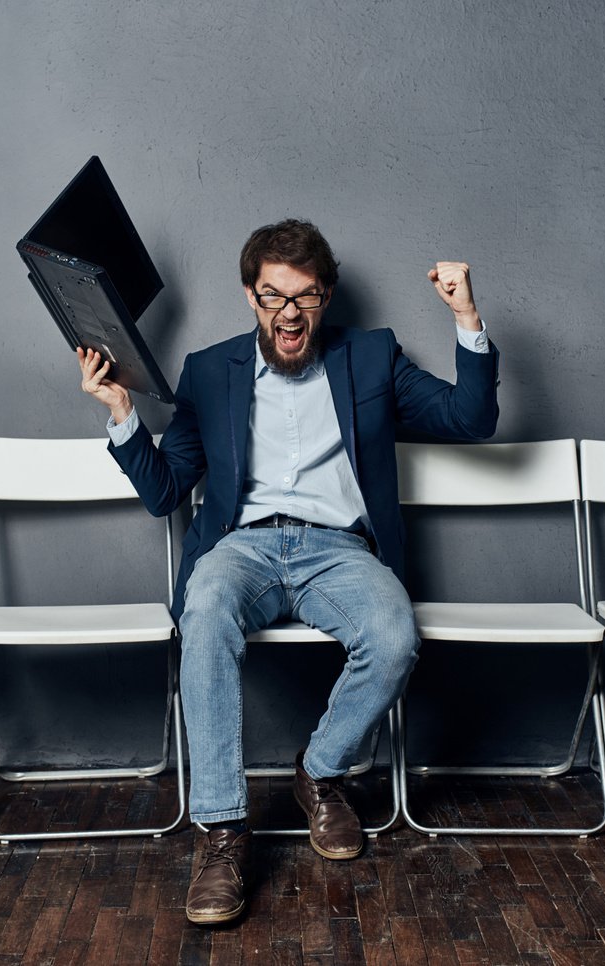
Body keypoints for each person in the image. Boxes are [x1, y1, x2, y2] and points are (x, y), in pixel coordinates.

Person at [77, 218, 498, 926]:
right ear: (251, 297)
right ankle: (221, 833)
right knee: (204, 613)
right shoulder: (210, 372)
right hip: (242, 549)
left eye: (303, 297)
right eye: (273, 296)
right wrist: (122, 415)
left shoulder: (372, 358)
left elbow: (471, 419)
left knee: (395, 635)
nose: (289, 312)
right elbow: (164, 492)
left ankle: (319, 773)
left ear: (325, 297)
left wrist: (464, 315)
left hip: (338, 551)